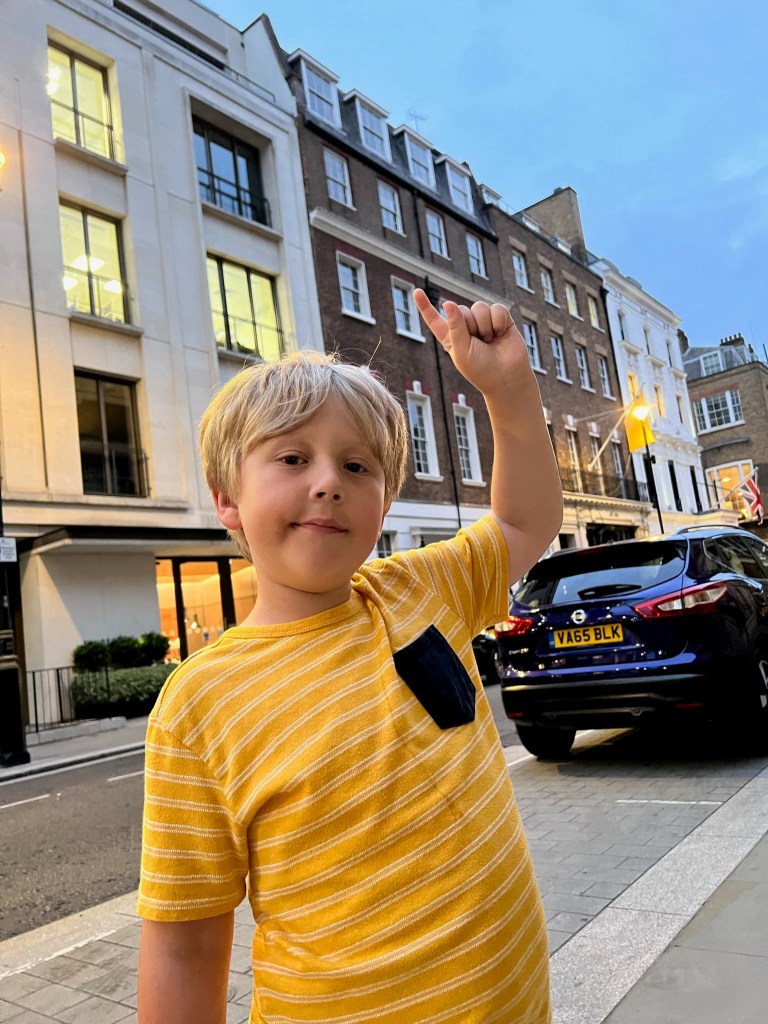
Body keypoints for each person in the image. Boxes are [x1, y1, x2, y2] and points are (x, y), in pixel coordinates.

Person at [137, 289, 563, 1024]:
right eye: (292, 458)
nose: (329, 481)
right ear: (228, 500)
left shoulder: (422, 587)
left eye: (358, 467)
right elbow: (185, 942)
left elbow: (526, 521)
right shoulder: (199, 702)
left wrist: (509, 391)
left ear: (384, 503)